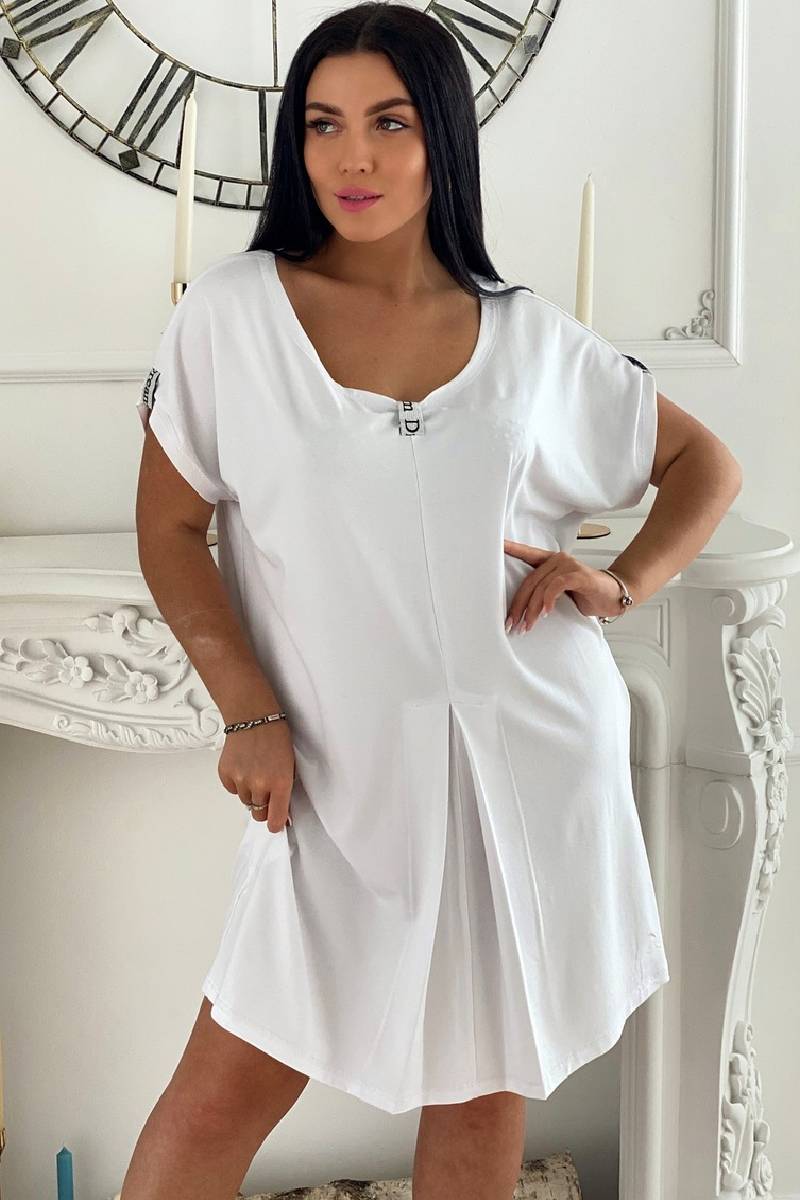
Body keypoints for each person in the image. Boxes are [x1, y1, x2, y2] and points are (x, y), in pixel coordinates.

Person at [123, 3, 743, 1198]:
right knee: (214, 1103)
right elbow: (168, 530)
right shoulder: (232, 315)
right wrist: (248, 709)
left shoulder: (527, 339)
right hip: (335, 782)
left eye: (388, 123)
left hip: (525, 765)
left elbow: (701, 463)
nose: (351, 156)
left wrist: (621, 580)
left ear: (439, 138)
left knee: (478, 1101)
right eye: (321, 125)